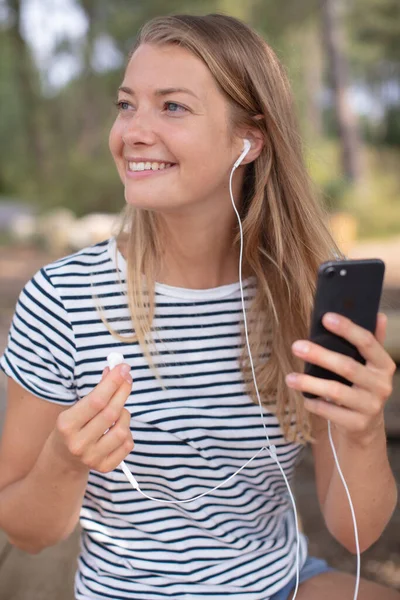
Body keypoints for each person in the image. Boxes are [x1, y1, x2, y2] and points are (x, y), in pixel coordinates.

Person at [0, 13, 398, 600]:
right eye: (126, 104)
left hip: (284, 584)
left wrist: (362, 433)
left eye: (172, 107)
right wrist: (65, 460)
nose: (133, 130)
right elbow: (26, 531)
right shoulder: (62, 299)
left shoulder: (301, 297)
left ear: (249, 139)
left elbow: (357, 535)